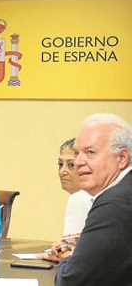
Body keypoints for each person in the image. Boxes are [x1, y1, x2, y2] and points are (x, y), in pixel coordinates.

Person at [54, 113, 132, 286]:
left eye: (90, 152)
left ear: (122, 158)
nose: (79, 161)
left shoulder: (115, 203)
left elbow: (71, 280)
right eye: (77, 153)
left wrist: (67, 256)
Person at [38, 138, 92, 261]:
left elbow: (80, 259)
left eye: (71, 165)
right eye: (60, 164)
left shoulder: (80, 198)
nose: (63, 171)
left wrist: (60, 256)